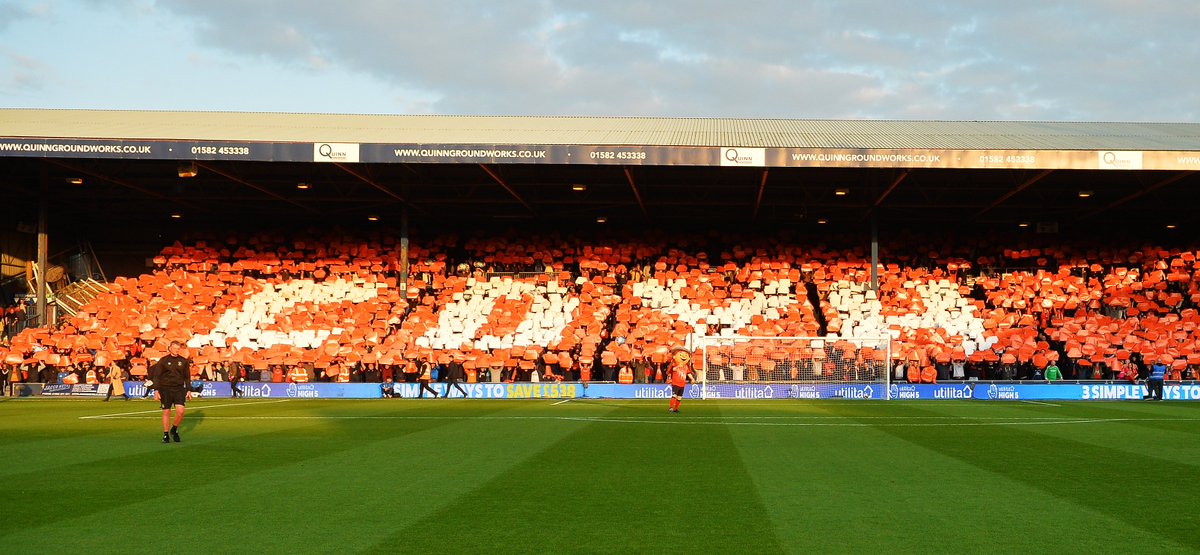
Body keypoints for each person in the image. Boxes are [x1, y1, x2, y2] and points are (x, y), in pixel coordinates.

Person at [147, 342, 192, 443]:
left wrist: (188, 389)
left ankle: (174, 429)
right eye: (174, 348)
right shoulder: (163, 360)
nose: (176, 350)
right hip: (165, 389)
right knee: (166, 412)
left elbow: (187, 377)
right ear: (170, 348)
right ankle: (166, 434)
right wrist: (156, 390)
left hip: (179, 389)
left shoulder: (183, 361)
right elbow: (157, 376)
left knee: (180, 411)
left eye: (178, 348)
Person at [667, 347, 695, 414]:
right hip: (675, 383)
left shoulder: (686, 366)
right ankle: (671, 408)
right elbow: (673, 369)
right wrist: (678, 366)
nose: (684, 356)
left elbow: (688, 373)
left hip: (682, 384)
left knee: (679, 397)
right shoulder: (675, 364)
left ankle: (676, 409)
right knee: (674, 395)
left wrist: (692, 378)